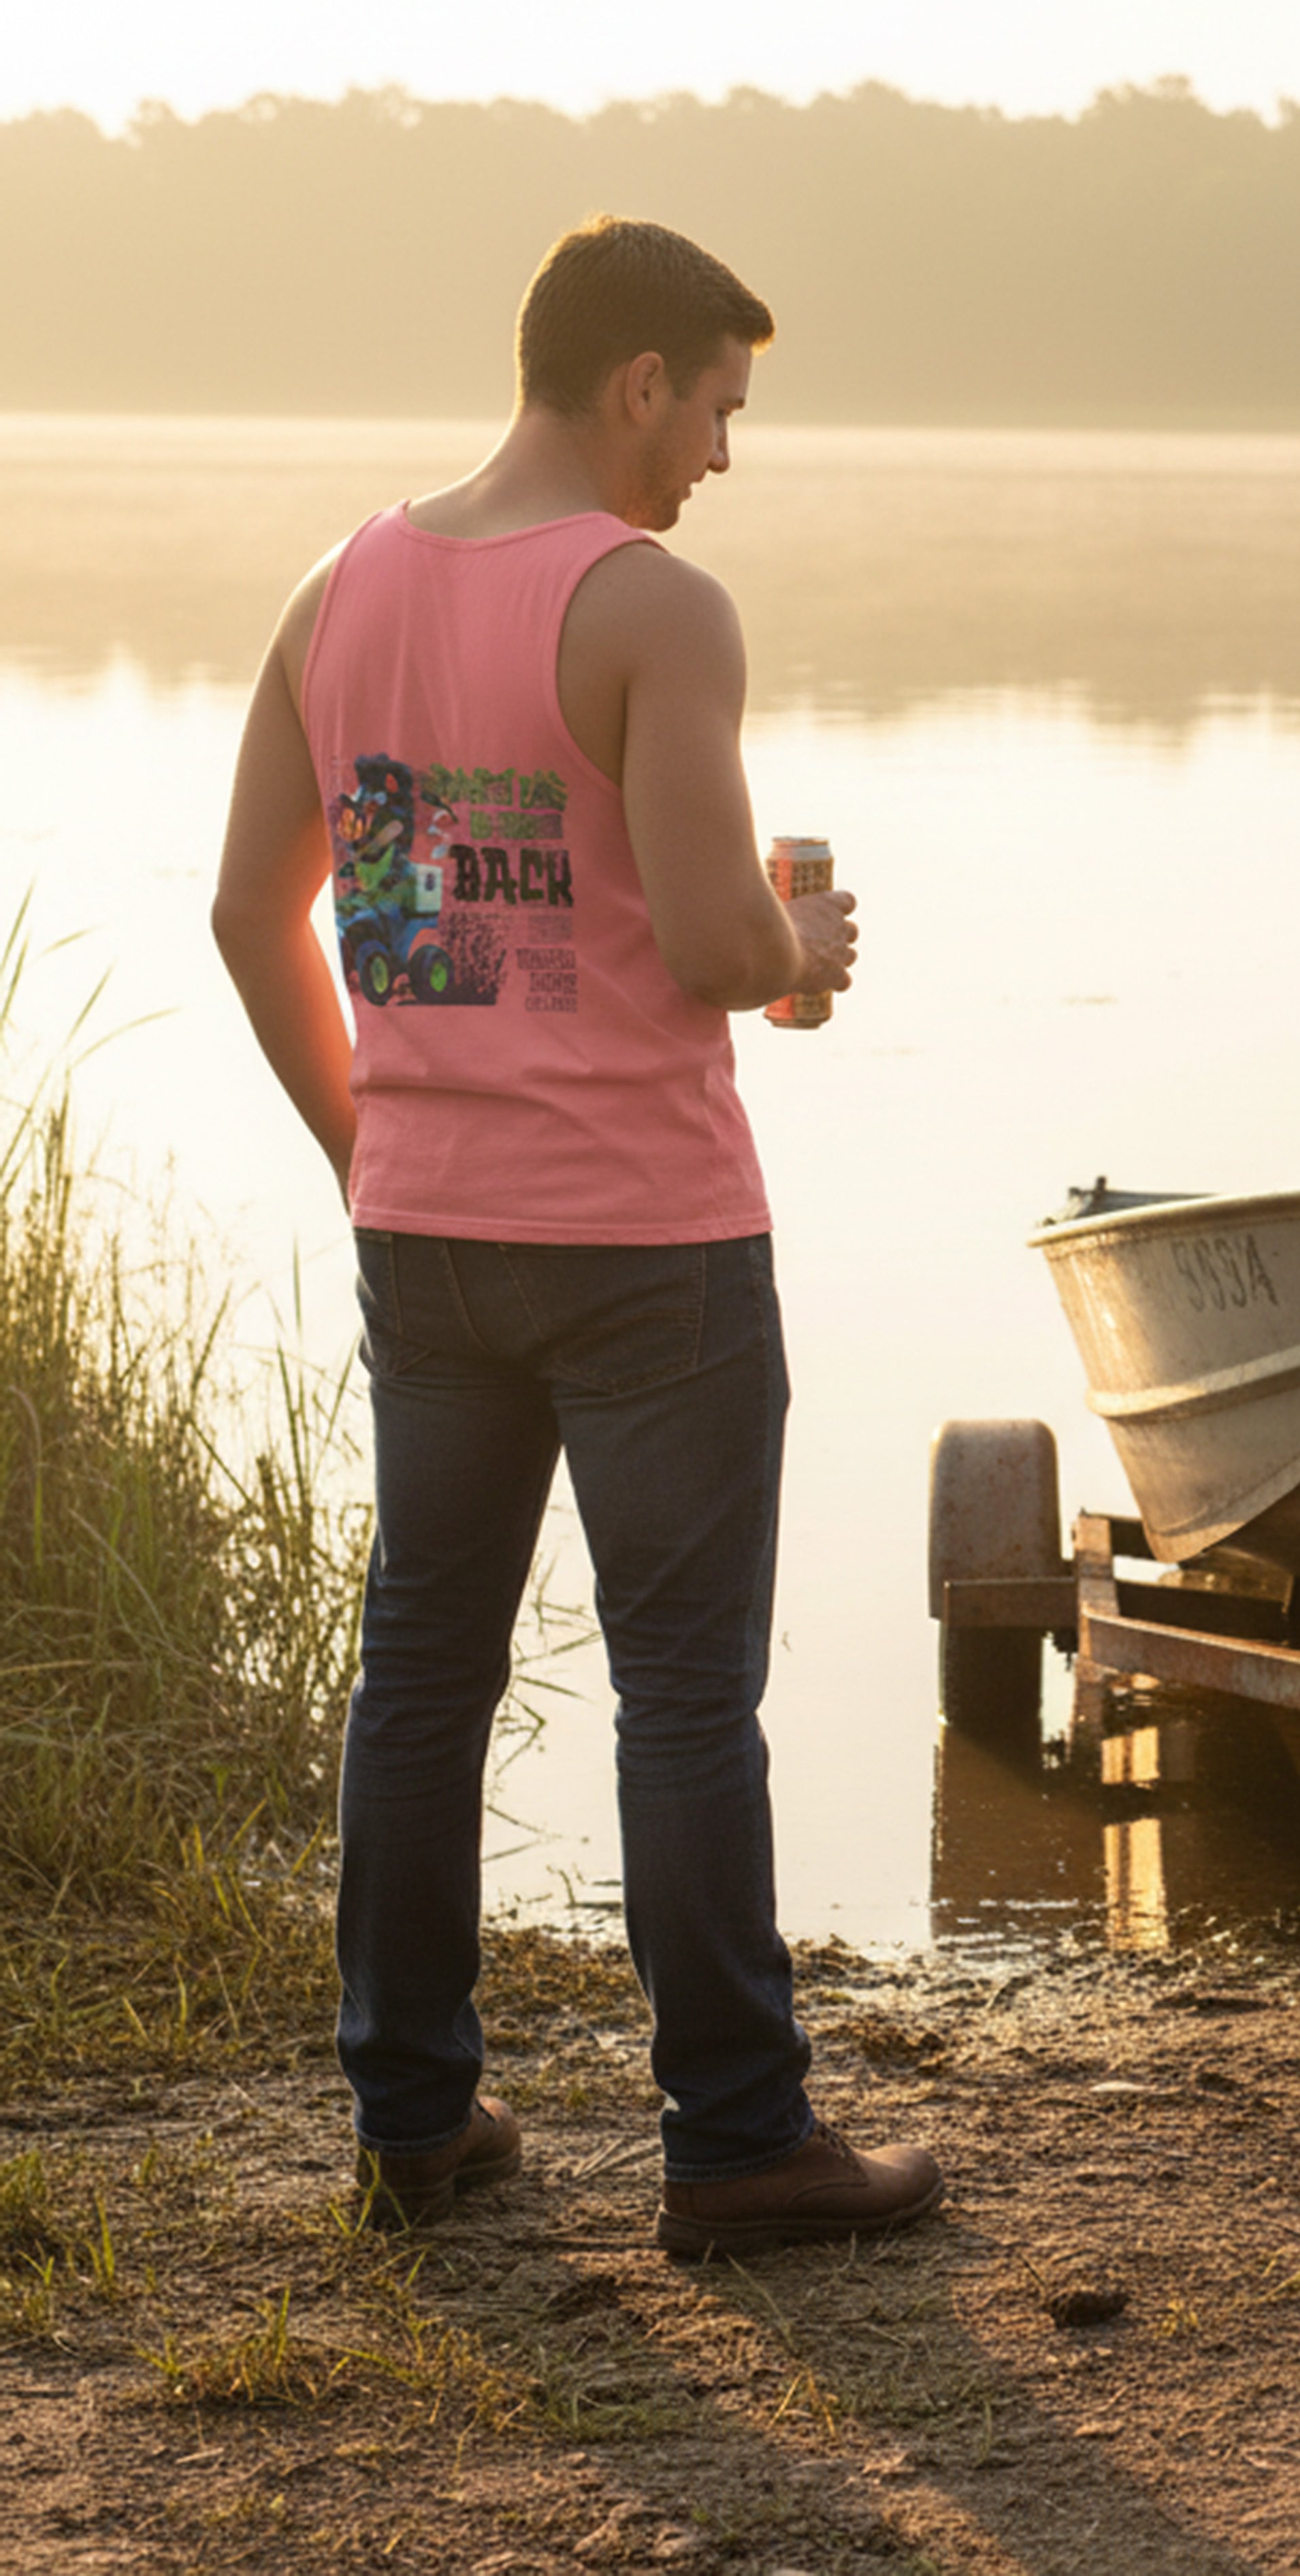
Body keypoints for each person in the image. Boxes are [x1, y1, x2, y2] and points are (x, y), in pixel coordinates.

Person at [212, 215, 943, 2259]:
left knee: (420, 1673)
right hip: (646, 1245)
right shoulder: (651, 606)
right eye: (717, 404)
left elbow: (242, 917)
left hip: (426, 1228)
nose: (723, 450)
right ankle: (737, 2144)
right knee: (686, 1694)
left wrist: (376, 1144)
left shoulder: (335, 588)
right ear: (638, 381)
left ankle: (417, 2118)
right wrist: (800, 943)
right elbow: (720, 944)